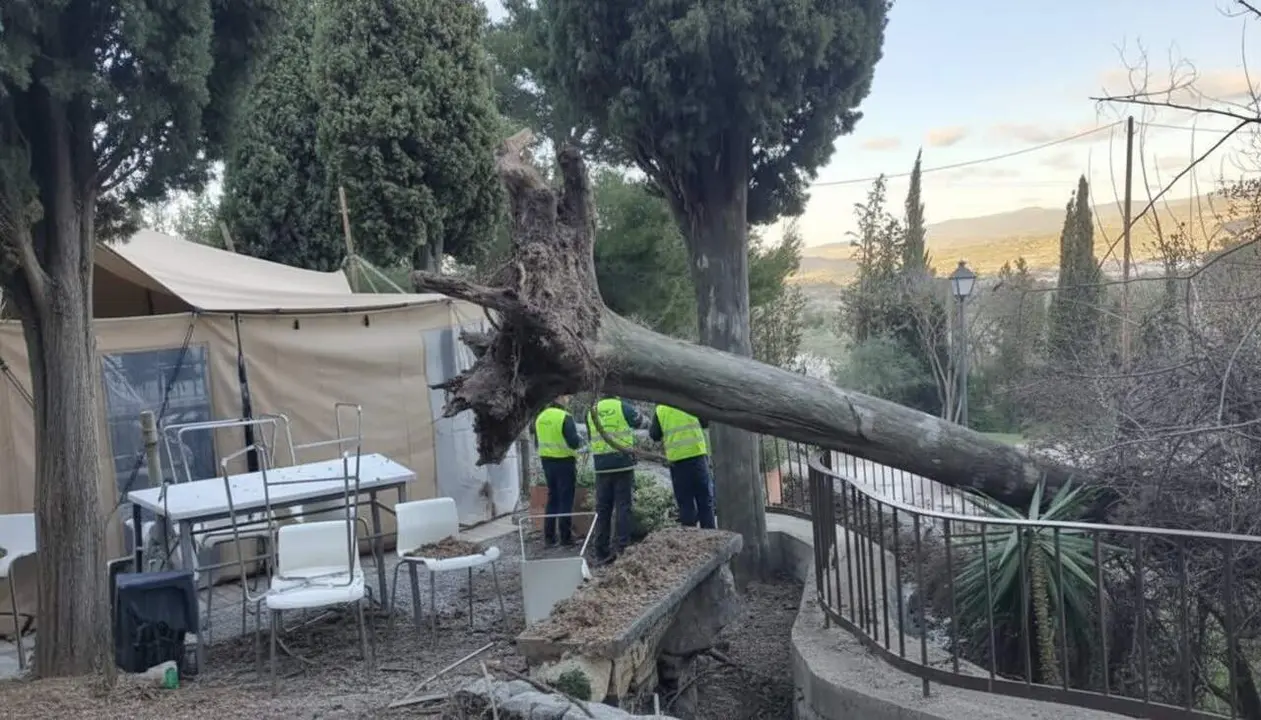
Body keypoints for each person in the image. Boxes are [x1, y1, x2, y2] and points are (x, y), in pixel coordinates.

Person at [586, 396, 640, 563]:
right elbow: (638, 422)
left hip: (601, 466)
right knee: (623, 507)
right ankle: (623, 547)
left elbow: (590, 435)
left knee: (603, 509)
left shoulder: (591, 411)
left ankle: (601, 549)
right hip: (622, 463)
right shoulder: (623, 406)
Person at [650, 404, 716, 529]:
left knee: (685, 504)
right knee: (705, 502)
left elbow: (654, 434)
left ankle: (689, 539)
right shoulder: (687, 401)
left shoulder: (661, 408)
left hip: (677, 462)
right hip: (697, 457)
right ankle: (710, 537)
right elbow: (705, 422)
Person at [533, 396, 583, 546]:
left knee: (552, 498)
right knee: (565, 499)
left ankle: (549, 537)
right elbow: (574, 443)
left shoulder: (540, 417)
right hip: (564, 462)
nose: (569, 399)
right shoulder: (565, 417)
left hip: (547, 461)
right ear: (561, 398)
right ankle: (565, 537)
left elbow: (537, 442)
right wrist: (580, 441)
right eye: (567, 396)